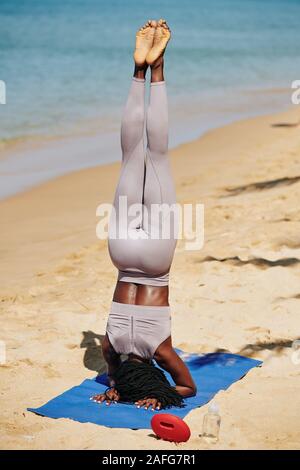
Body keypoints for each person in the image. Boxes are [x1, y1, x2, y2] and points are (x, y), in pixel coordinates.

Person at [92, 19, 196, 411]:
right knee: (132, 156)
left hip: (154, 262)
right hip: (122, 255)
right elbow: (115, 369)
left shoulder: (163, 350)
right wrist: (120, 385)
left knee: (157, 155)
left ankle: (156, 68)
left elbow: (187, 389)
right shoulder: (111, 347)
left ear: (154, 368)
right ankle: (140, 69)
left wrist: (158, 391)